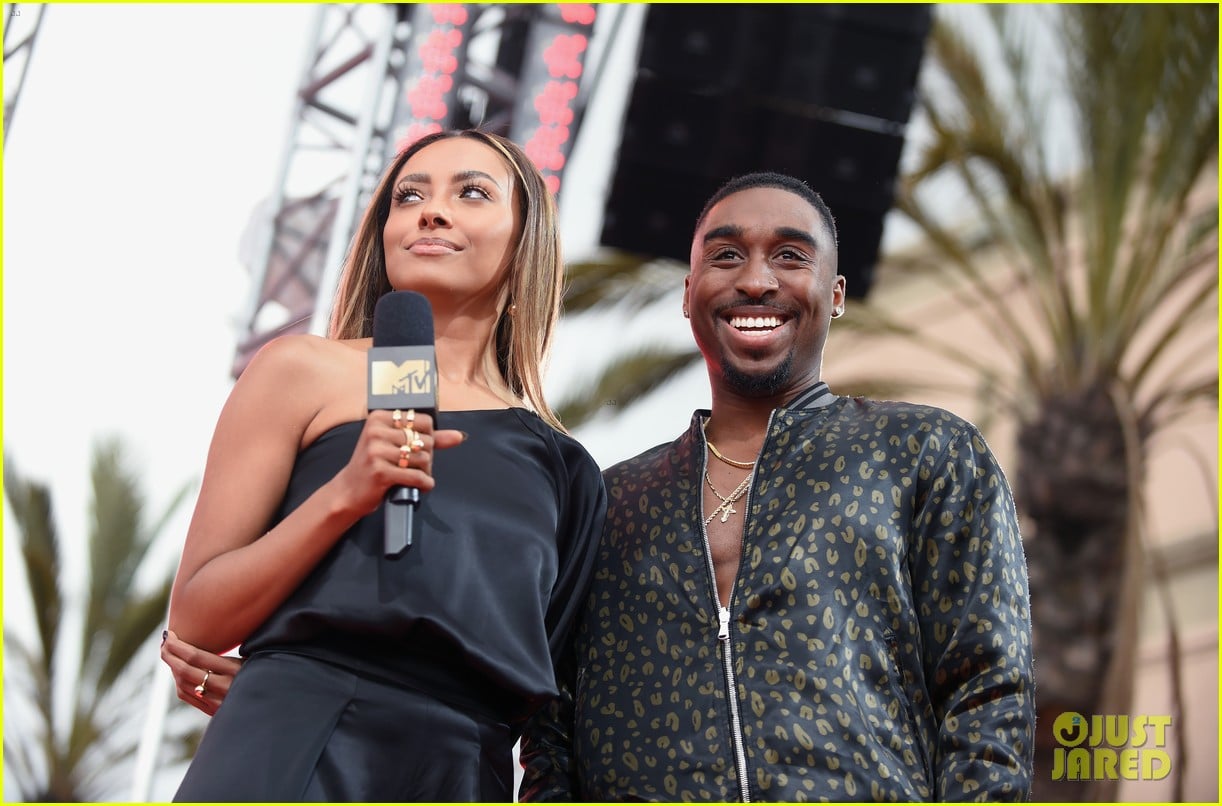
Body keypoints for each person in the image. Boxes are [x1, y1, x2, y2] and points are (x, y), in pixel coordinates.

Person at [166, 171, 1036, 801]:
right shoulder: (616, 497)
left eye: (790, 255)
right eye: (726, 256)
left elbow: (989, 688)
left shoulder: (922, 453)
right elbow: (551, 726)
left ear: (835, 293)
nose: (756, 279)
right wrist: (305, 680)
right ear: (688, 294)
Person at [164, 128, 606, 802]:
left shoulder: (566, 471)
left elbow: (552, 706)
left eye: (472, 193)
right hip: (288, 744)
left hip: (461, 774)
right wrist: (345, 493)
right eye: (409, 196)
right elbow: (197, 617)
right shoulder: (300, 371)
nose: (431, 212)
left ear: (525, 242)